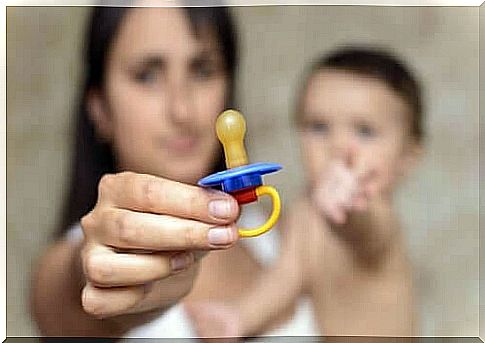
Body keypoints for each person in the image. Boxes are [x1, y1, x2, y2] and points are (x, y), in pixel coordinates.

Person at [30, 4, 319, 339]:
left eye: (202, 70)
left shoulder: (285, 235)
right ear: (100, 109)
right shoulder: (77, 261)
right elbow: (67, 295)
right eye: (147, 75)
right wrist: (101, 273)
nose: (182, 110)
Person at [187, 46, 423, 339]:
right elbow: (285, 279)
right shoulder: (306, 212)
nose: (338, 145)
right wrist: (238, 318)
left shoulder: (379, 218)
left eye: (364, 131)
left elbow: (367, 233)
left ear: (407, 156)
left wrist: (350, 203)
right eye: (319, 127)